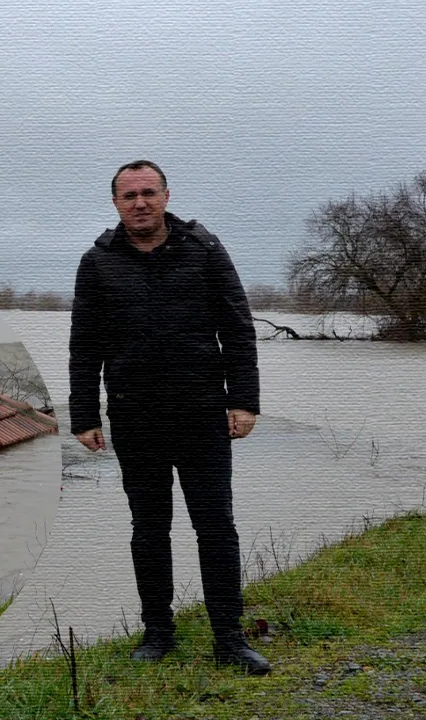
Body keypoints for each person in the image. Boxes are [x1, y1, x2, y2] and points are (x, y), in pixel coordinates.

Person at [68, 159, 270, 675]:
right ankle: (158, 632)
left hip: (202, 413)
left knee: (216, 527)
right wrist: (84, 415)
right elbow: (84, 346)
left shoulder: (204, 249)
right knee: (149, 529)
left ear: (166, 196)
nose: (140, 203)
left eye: (148, 193)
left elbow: (238, 327)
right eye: (129, 195)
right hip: (135, 418)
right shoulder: (98, 261)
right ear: (115, 203)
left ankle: (229, 638)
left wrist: (244, 401)